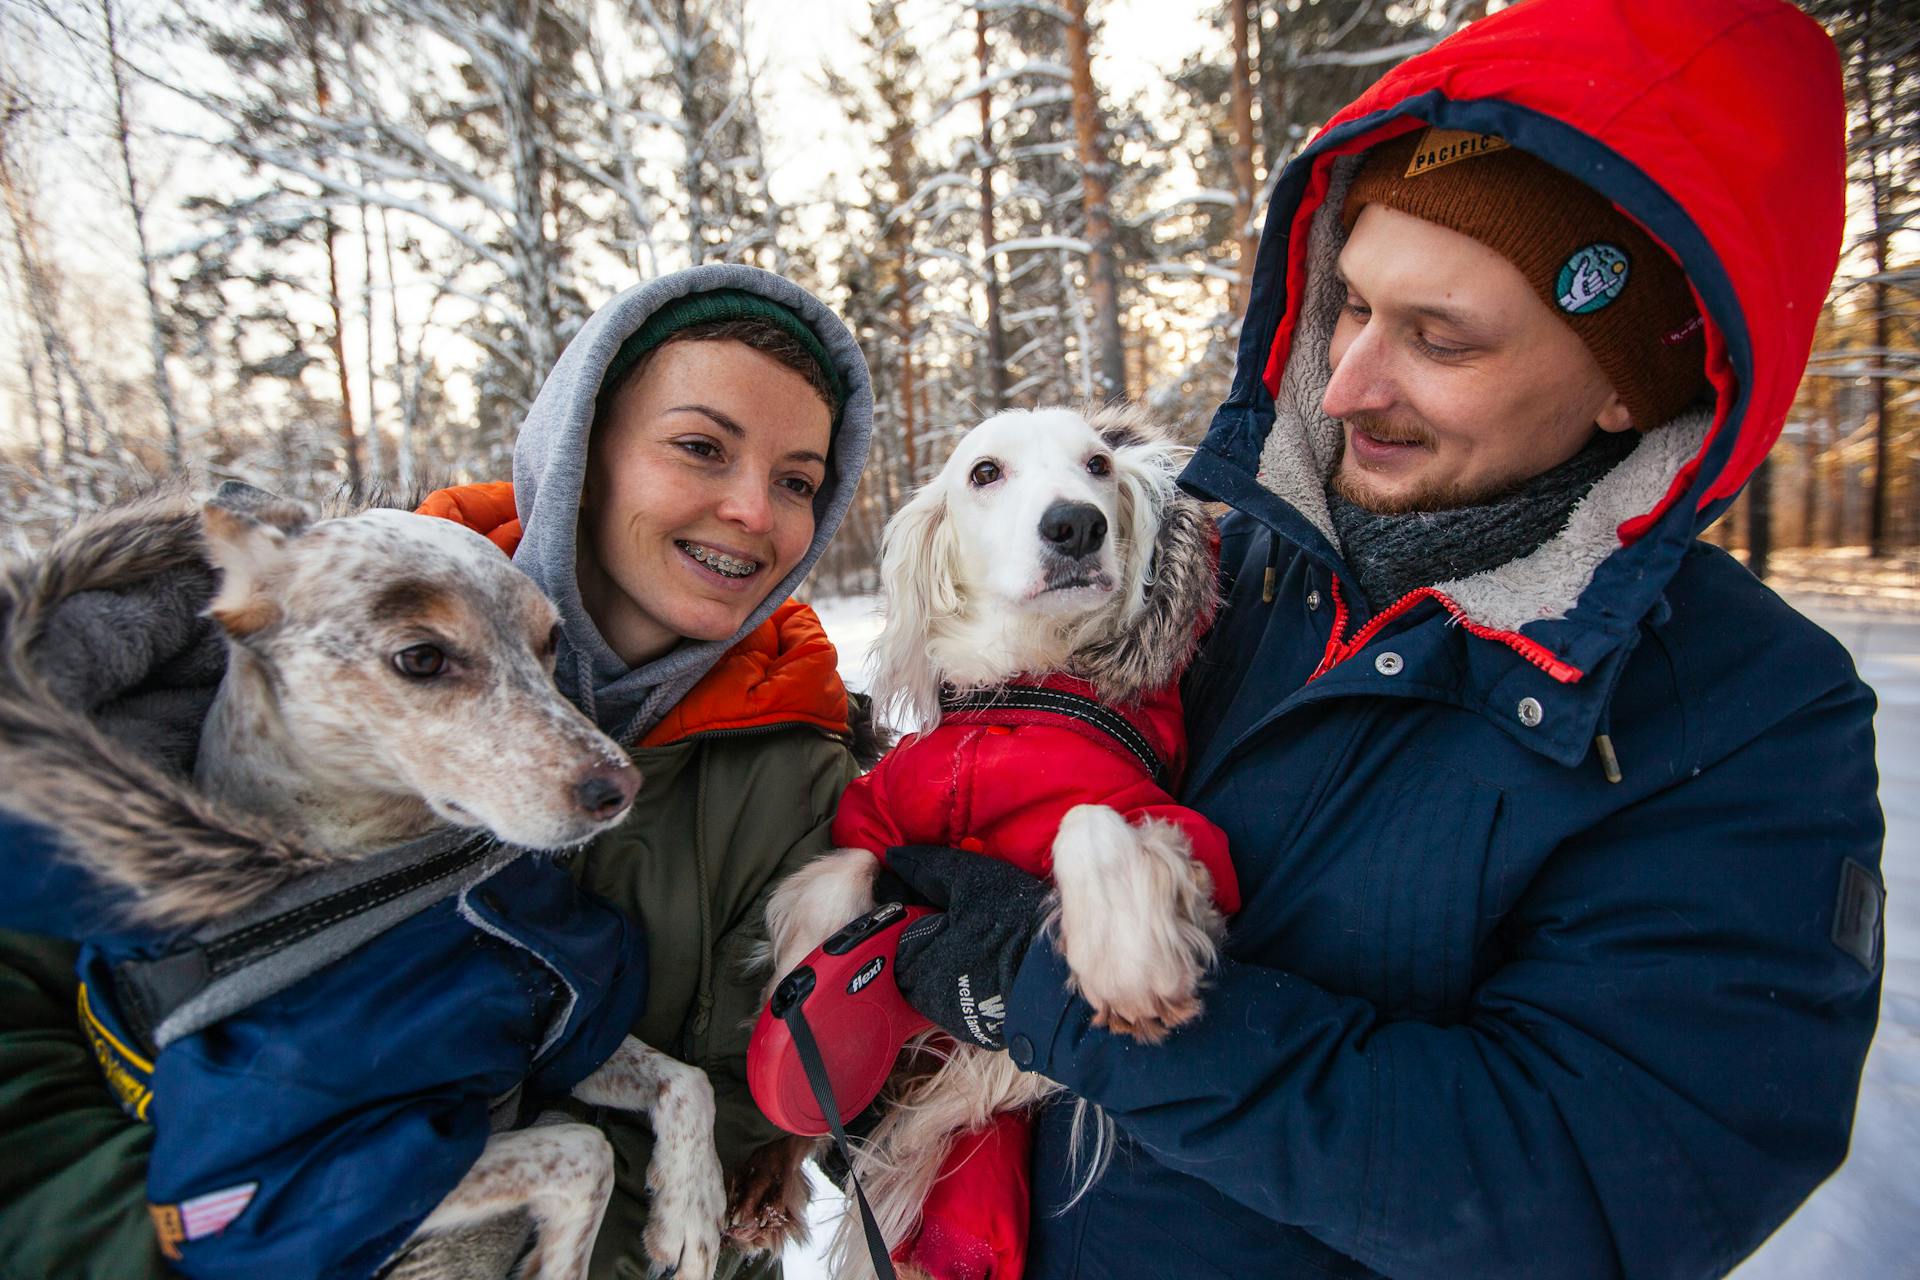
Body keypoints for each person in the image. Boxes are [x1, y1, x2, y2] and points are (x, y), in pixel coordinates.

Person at [876, 2, 1887, 1276]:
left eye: (1438, 337)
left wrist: (1051, 992)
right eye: (1349, 303)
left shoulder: (1745, 717)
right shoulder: (1228, 574)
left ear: (1631, 380)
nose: (1346, 379)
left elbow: (1583, 1191)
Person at [0, 266, 874, 1280]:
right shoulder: (181, 679)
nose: (752, 509)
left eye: (800, 479)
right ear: (581, 451)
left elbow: (767, 1098)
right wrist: (176, 1247)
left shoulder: (806, 768)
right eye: (700, 446)